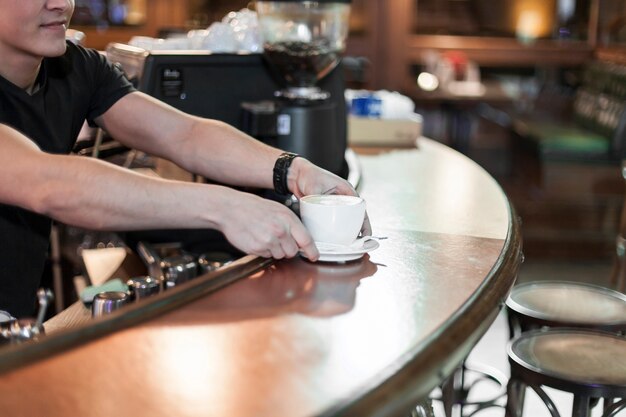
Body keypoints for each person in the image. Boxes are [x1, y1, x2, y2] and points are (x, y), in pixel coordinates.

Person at [0, 0, 370, 317]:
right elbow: (47, 185)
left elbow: (183, 134)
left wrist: (293, 170)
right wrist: (224, 208)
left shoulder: (74, 66)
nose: (61, 4)